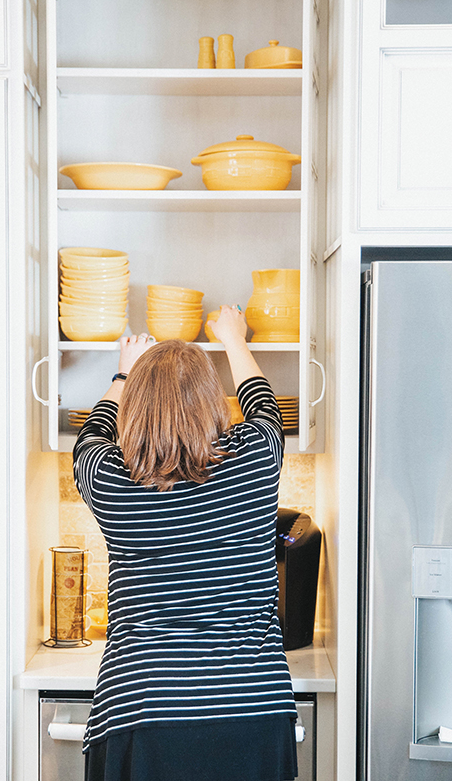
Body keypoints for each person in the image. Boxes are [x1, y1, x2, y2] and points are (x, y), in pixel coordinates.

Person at [73, 304, 298, 781]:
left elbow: (89, 437)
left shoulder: (112, 481)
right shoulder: (252, 461)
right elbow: (265, 410)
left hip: (144, 708)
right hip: (252, 708)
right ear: (214, 402)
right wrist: (234, 339)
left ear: (134, 406)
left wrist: (122, 374)